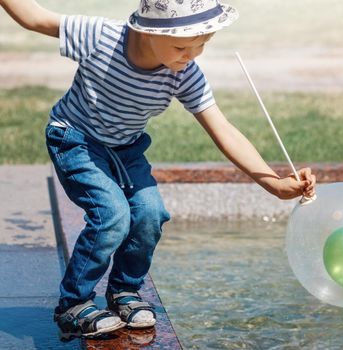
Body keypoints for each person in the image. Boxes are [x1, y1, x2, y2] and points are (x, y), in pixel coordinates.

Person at [0, 0, 316, 340]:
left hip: (127, 148)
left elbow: (223, 129)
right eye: (182, 45)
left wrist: (274, 184)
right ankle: (73, 304)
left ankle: (124, 292)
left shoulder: (183, 73)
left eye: (202, 44)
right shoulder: (100, 36)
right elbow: (34, 18)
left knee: (151, 213)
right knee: (112, 215)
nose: (192, 54)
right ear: (149, 31)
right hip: (76, 139)